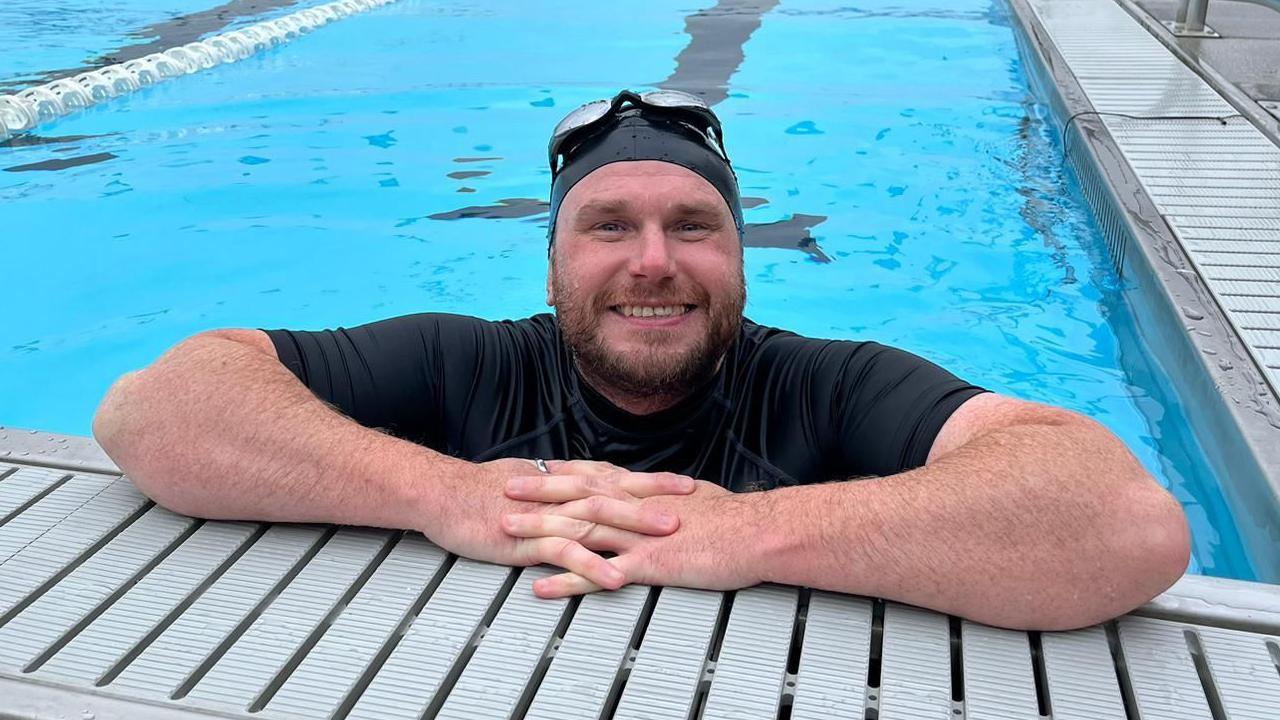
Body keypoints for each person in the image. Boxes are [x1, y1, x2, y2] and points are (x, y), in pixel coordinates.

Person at [93, 89, 1189, 631]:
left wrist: (744, 533)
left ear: (739, 256)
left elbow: (1123, 522)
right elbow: (155, 408)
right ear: (555, 262)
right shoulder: (466, 367)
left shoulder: (823, 384)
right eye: (609, 227)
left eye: (692, 228)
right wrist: (441, 494)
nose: (653, 263)